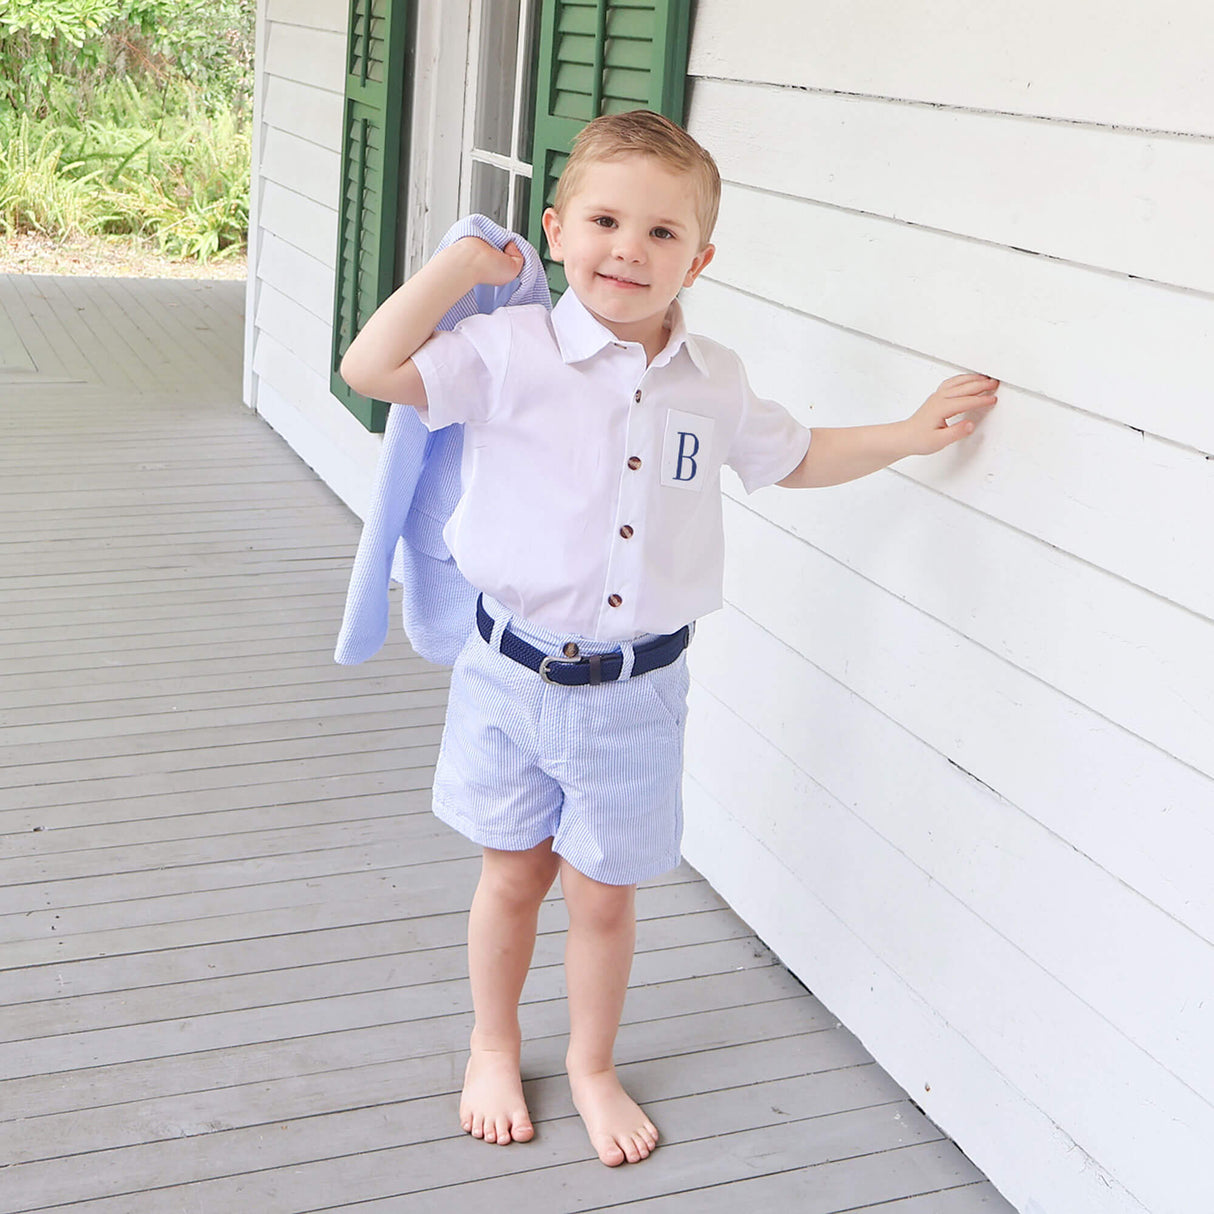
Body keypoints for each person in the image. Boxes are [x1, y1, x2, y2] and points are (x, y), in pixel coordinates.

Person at [339, 110, 998, 1168]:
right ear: (557, 230)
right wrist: (459, 267)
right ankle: (492, 1045)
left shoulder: (711, 379)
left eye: (661, 232)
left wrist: (908, 434)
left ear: (698, 257)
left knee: (604, 897)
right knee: (511, 876)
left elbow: (796, 456)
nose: (628, 250)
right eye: (604, 221)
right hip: (506, 674)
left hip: (635, 694)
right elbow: (372, 368)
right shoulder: (508, 350)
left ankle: (592, 1065)